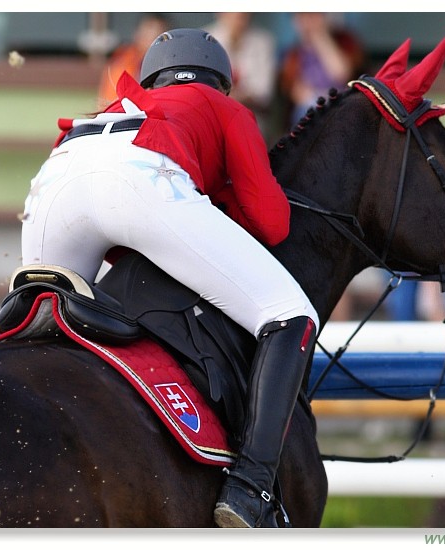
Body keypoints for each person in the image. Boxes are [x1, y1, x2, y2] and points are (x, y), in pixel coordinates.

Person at [21, 28, 318, 528]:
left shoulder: (115, 105)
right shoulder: (224, 106)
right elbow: (273, 222)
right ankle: (251, 488)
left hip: (57, 175)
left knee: (31, 329)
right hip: (139, 173)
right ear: (221, 80)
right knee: (290, 316)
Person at [278, 12, 365, 126]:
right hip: (309, 111)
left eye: (314, 14)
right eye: (302, 16)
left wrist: (320, 37)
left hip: (340, 106)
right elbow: (297, 93)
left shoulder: (345, 41)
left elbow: (342, 74)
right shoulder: (293, 55)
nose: (309, 20)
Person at [205, 13, 277, 142]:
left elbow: (263, 92)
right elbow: (203, 88)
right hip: (213, 114)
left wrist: (233, 96)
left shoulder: (263, 42)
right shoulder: (204, 38)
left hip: (250, 115)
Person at [96, 13, 169, 109]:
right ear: (137, 35)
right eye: (147, 34)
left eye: (158, 36)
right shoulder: (121, 64)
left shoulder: (172, 66)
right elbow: (107, 106)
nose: (152, 40)